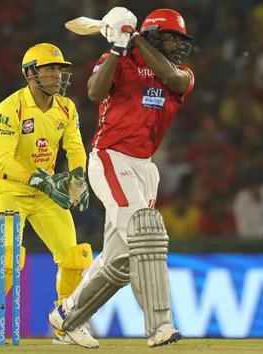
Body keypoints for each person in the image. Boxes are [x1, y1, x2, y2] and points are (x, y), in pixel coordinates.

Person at [48, 7, 195, 348]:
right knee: (147, 232)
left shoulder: (182, 73)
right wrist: (117, 47)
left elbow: (171, 79)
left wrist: (136, 39)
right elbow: (95, 92)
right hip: (111, 157)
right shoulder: (119, 59)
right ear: (157, 34)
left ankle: (67, 315)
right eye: (173, 36)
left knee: (121, 260)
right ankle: (160, 325)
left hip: (145, 168)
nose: (179, 45)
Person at [0, 43, 93, 345]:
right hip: (10, 191)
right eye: (49, 69)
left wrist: (78, 180)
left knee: (75, 257)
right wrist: (37, 179)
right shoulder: (9, 109)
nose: (57, 75)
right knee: (9, 259)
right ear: (30, 73)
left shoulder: (66, 108)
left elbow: (75, 149)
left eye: (59, 69)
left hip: (46, 193)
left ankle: (67, 324)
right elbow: (3, 160)